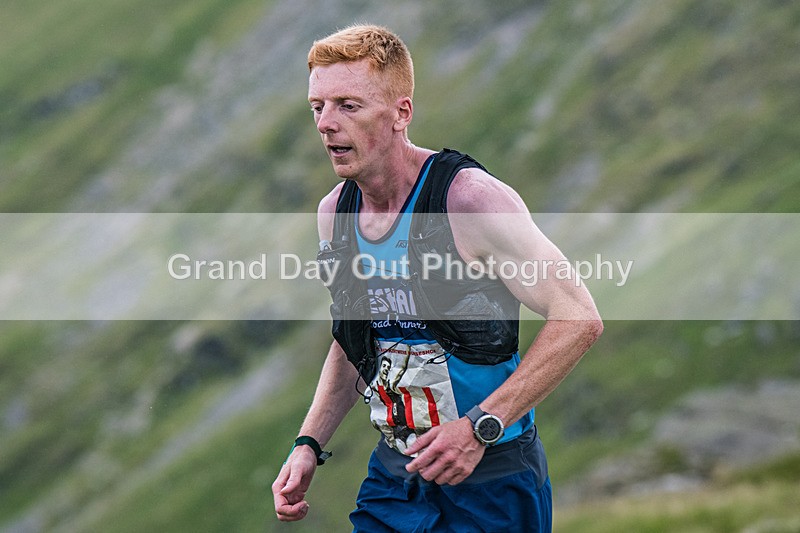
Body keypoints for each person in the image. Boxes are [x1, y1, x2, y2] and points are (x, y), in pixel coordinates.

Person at [272, 24, 603, 532]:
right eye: (318, 106)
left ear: (401, 112)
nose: (326, 124)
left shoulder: (467, 200)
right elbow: (356, 338)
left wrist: (479, 428)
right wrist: (309, 443)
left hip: (492, 478)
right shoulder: (335, 213)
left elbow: (578, 317)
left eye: (348, 106)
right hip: (397, 477)